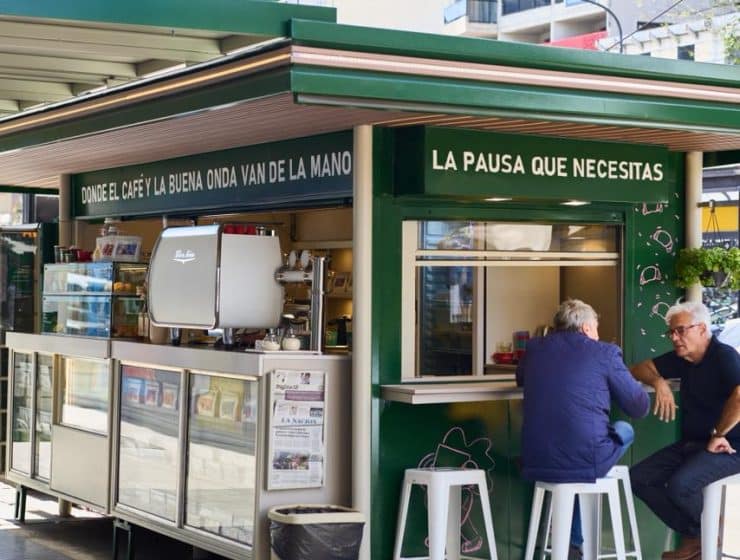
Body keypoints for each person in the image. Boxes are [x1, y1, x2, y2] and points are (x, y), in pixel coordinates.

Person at [517, 299, 650, 559]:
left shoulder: (533, 349)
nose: (598, 334)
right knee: (622, 429)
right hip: (585, 456)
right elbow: (639, 407)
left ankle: (573, 544)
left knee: (575, 463)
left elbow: (521, 378)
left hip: (535, 456)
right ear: (587, 327)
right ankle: (572, 543)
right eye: (596, 328)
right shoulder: (605, 353)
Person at [630, 301, 740, 560]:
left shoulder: (723, 356)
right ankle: (699, 536)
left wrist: (719, 434)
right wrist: (658, 382)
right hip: (695, 443)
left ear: (702, 329)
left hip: (731, 446)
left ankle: (707, 540)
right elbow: (638, 368)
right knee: (638, 477)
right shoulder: (683, 358)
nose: (674, 338)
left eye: (680, 330)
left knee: (681, 486)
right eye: (671, 332)